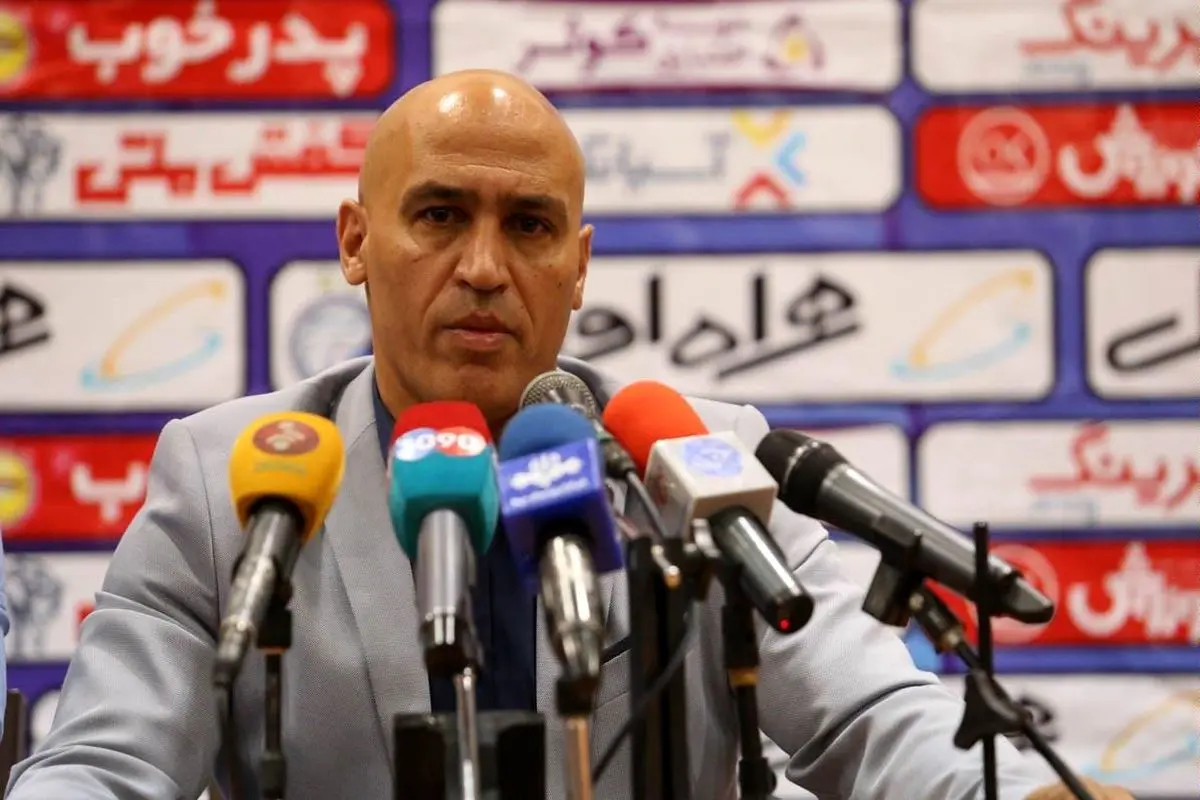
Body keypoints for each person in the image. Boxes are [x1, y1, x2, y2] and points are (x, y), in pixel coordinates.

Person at [5, 71, 1134, 800]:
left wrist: (1020, 793)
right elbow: (105, 763)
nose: (484, 267)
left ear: (578, 263)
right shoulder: (229, 480)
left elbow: (868, 709)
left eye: (530, 226)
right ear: (354, 240)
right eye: (439, 214)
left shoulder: (698, 459)